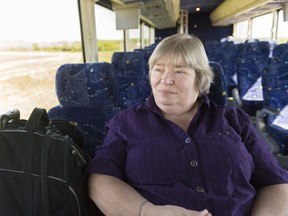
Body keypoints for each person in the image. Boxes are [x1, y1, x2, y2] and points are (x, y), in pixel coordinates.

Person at [87, 33, 288, 216]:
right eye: (158, 70)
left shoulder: (234, 120)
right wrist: (146, 211)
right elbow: (100, 180)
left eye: (179, 71)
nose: (165, 80)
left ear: (199, 79)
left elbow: (275, 183)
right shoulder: (127, 123)